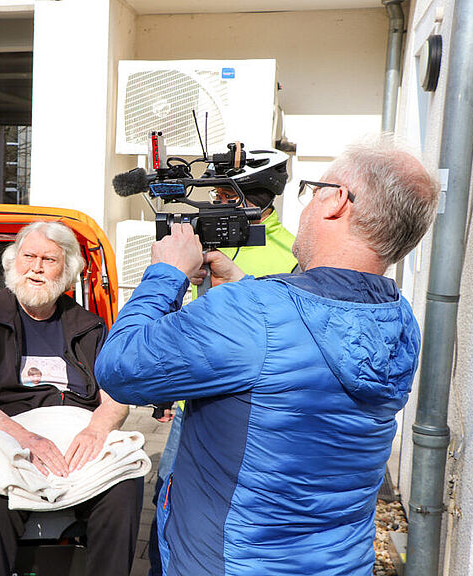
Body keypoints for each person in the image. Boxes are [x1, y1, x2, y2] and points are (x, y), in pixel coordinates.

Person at [95, 135, 439, 576]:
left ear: (337, 201)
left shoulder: (253, 314)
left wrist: (165, 274)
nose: (306, 205)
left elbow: (119, 367)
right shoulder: (399, 319)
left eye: (313, 190)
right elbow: (307, 343)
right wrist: (243, 287)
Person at [0, 220, 143, 576]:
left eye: (48, 260)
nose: (36, 267)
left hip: (78, 437)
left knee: (125, 483)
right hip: (8, 436)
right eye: (28, 257)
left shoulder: (90, 326)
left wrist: (96, 431)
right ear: (12, 262)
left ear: (67, 271)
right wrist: (25, 439)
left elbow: (116, 396)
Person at [147, 148, 298, 576]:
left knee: (219, 508)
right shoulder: (211, 239)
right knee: (167, 497)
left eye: (224, 196)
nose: (214, 203)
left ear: (248, 198)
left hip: (248, 409)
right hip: (193, 401)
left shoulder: (290, 254)